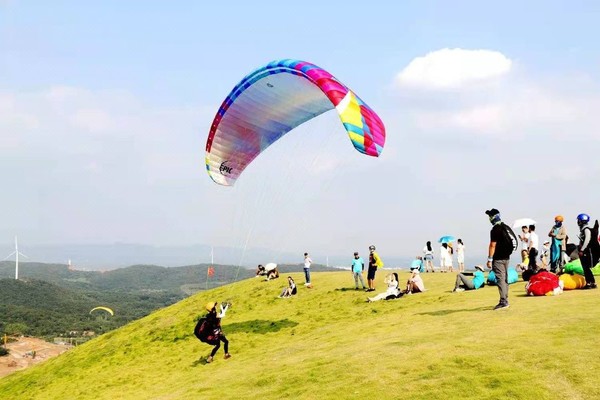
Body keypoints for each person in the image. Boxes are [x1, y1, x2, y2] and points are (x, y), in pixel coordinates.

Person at [485, 208, 517, 310]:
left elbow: (492, 245)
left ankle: (503, 301)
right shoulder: (505, 227)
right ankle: (505, 299)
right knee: (505, 279)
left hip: (498, 258)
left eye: (490, 216)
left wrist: (489, 259)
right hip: (506, 257)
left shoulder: (495, 229)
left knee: (501, 280)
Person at [577, 213, 597, 289]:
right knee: (586, 268)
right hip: (586, 251)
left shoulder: (586, 230)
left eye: (579, 220)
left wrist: (582, 250)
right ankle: (592, 282)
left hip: (587, 252)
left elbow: (587, 240)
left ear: (581, 221)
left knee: (586, 267)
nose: (578, 222)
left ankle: (589, 283)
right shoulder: (584, 230)